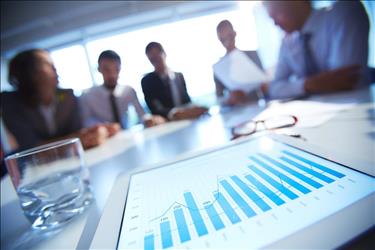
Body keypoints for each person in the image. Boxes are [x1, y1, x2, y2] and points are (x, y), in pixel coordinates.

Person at [2, 49, 120, 151]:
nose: (55, 69)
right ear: (30, 73)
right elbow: (29, 148)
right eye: (49, 65)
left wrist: (94, 132)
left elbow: (78, 132)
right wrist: (79, 139)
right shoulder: (10, 103)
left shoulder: (68, 96)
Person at [262, 1, 370, 99]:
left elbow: (345, 79)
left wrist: (294, 86)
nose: (275, 23)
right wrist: (307, 84)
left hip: (356, 104)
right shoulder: (287, 42)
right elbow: (274, 88)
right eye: (271, 17)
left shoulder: (344, 13)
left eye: (277, 13)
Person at [80, 50, 165, 129]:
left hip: (127, 137)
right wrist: (103, 127)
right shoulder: (87, 95)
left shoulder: (128, 91)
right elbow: (86, 121)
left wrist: (149, 120)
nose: (112, 75)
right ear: (99, 69)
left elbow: (142, 115)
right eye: (107, 69)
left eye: (116, 69)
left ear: (120, 68)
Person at [141, 42, 208, 120]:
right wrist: (174, 113)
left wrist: (193, 108)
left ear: (164, 54)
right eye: (152, 59)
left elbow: (186, 100)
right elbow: (155, 108)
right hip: (167, 121)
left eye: (157, 56)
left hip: (188, 118)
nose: (156, 61)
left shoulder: (179, 76)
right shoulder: (147, 81)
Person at [214, 20, 264, 106]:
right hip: (236, 111)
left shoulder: (253, 55)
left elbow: (264, 81)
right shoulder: (218, 68)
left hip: (258, 104)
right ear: (219, 40)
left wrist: (265, 86)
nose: (227, 42)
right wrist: (229, 99)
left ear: (234, 34)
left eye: (229, 36)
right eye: (223, 39)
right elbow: (219, 99)